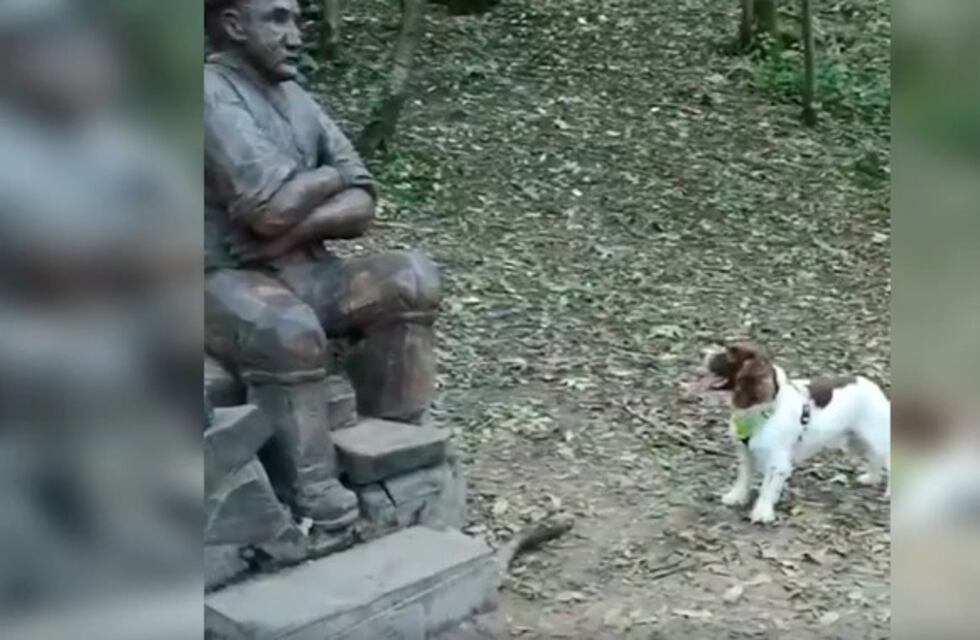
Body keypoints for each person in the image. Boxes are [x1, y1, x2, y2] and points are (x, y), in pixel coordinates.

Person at [204, 0, 441, 531]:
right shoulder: (206, 94)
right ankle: (308, 487)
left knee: (411, 278)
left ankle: (396, 437)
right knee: (288, 329)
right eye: (279, 18)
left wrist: (307, 217)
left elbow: (364, 201)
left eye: (298, 20)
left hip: (304, 269)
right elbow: (268, 208)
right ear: (234, 25)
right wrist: (329, 177)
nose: (296, 34)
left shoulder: (297, 98)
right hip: (219, 280)